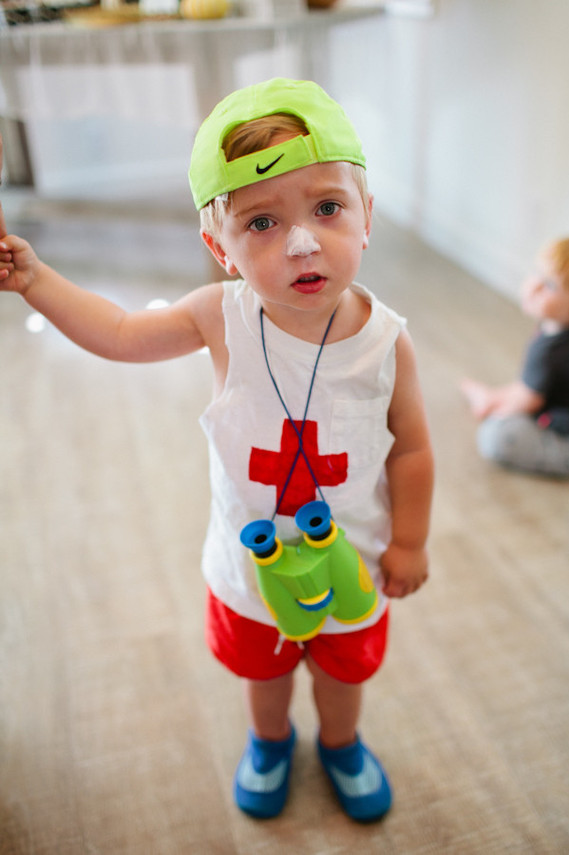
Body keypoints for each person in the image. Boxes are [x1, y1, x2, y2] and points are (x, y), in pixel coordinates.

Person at [0, 78, 434, 822]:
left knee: (341, 670)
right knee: (262, 674)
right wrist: (36, 280)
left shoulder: (387, 341)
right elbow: (120, 333)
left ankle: (340, 741)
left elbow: (412, 450)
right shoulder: (218, 317)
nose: (302, 241)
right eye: (261, 222)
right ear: (219, 248)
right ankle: (269, 742)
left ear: (368, 219)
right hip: (250, 564)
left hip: (354, 557)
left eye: (327, 208)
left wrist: (411, 540)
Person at [461, 237, 569, 477]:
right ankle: (491, 397)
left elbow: (527, 400)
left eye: (550, 286)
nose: (533, 287)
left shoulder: (550, 352)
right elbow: (530, 386)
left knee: (496, 436)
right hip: (553, 405)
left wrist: (495, 413)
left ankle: (489, 402)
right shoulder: (552, 331)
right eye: (536, 274)